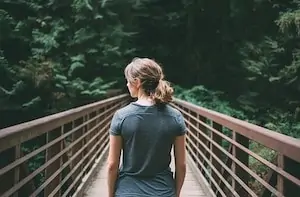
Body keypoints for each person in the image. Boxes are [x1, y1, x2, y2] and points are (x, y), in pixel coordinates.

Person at [106, 57, 187, 197]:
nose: (127, 84)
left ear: (137, 82)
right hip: (163, 192)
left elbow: (112, 165)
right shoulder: (175, 117)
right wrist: (176, 193)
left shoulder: (121, 116)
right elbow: (181, 165)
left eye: (128, 80)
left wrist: (110, 194)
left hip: (128, 192)